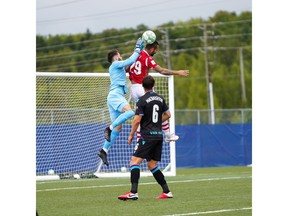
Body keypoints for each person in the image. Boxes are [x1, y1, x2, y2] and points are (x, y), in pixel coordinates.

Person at [118, 75, 173, 200]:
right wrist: (156, 123)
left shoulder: (142, 100)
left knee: (134, 161)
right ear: (153, 85)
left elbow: (137, 120)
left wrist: (131, 134)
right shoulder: (160, 98)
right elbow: (168, 114)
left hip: (147, 136)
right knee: (152, 164)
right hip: (158, 136)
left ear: (142, 87)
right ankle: (167, 191)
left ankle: (133, 192)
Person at [128, 40, 189, 142]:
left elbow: (126, 68)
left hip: (133, 89)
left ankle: (139, 142)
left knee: (140, 115)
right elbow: (162, 70)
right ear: (151, 48)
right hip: (141, 88)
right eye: (155, 49)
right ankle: (168, 134)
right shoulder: (147, 58)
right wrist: (178, 72)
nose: (156, 52)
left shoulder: (136, 54)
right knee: (158, 109)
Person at [97, 38, 144, 166]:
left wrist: (140, 52)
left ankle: (104, 150)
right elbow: (130, 60)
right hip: (115, 95)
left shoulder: (118, 67)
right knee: (130, 113)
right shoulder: (115, 64)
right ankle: (108, 128)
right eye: (119, 54)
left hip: (113, 97)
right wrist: (137, 48)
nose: (121, 56)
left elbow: (130, 64)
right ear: (116, 56)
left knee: (119, 127)